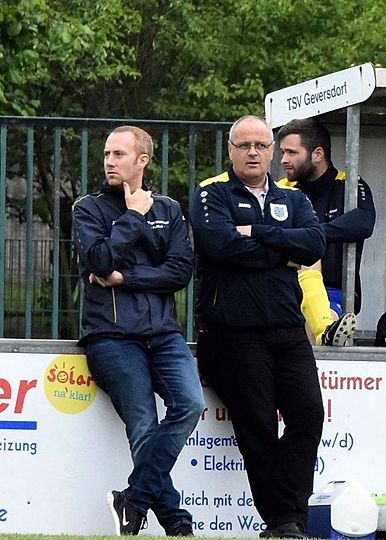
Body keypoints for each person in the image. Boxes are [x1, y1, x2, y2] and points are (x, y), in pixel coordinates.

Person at [191, 115, 326, 538]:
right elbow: (221, 246)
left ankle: (289, 517)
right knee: (260, 427)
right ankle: (285, 522)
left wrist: (257, 232)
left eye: (261, 145)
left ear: (272, 151)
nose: (253, 152)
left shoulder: (295, 198)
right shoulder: (211, 193)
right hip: (234, 332)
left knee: (308, 416)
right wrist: (282, 247)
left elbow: (315, 244)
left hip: (287, 329)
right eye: (244, 145)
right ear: (230, 151)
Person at [73, 125, 203, 536]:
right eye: (107, 154)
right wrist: (132, 217)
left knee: (191, 405)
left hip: (163, 334)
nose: (110, 161)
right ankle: (178, 522)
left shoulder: (169, 208)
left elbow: (181, 271)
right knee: (144, 423)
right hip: (110, 336)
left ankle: (133, 499)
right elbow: (98, 259)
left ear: (142, 161)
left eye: (119, 155)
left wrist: (125, 279)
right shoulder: (88, 208)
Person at [277, 118, 375, 315]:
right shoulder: (280, 189)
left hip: (336, 290)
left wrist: (310, 236)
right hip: (287, 288)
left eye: (292, 152)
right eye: (283, 152)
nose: (283, 160)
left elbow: (364, 222)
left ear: (318, 154)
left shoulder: (349, 184)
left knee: (323, 317)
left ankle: (327, 329)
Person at [298, 259, 356, 346]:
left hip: (335, 291)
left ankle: (325, 332)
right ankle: (325, 333)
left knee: (328, 316)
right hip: (299, 290)